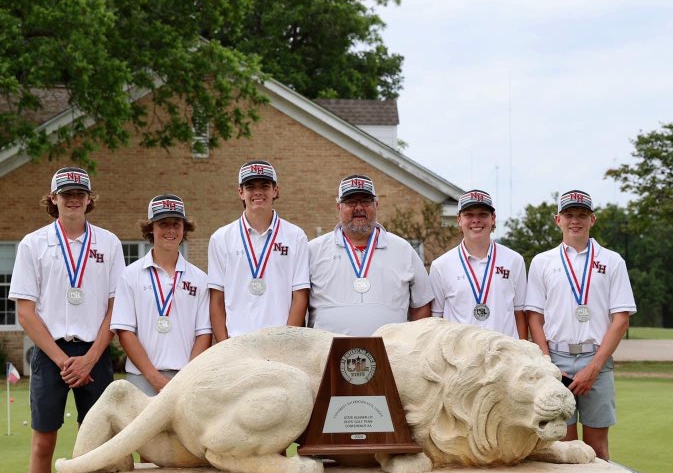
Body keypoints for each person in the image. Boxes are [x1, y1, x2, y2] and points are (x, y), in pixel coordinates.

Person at [9, 167, 125, 473]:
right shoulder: (34, 243)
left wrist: (91, 356)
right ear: (53, 198)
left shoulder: (108, 243)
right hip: (51, 354)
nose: (73, 198)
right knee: (43, 444)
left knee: (101, 446)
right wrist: (63, 361)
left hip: (94, 352)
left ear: (90, 198)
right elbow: (25, 312)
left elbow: (116, 307)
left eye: (80, 192)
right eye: (66, 193)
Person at [525, 190, 636, 461]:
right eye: (570, 215)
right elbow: (534, 317)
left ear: (592, 219)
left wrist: (594, 367)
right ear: (558, 220)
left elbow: (621, 319)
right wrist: (547, 363)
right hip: (557, 361)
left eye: (582, 215)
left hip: (596, 360)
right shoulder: (543, 262)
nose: (576, 221)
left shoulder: (611, 261)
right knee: (564, 449)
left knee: (598, 450)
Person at [111, 194, 212, 396]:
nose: (171, 230)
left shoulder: (200, 278)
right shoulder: (130, 275)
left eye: (176, 224)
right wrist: (154, 377)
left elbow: (204, 333)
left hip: (186, 378)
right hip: (142, 378)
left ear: (185, 229)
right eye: (163, 224)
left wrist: (186, 377)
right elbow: (125, 332)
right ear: (151, 228)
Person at [308, 173, 432, 336]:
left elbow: (422, 305)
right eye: (351, 201)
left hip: (390, 355)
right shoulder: (313, 250)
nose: (358, 208)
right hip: (327, 356)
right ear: (339, 207)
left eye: (365, 201)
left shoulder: (403, 249)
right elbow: (298, 303)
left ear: (376, 205)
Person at [207, 160, 309, 340]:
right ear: (241, 193)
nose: (258, 192)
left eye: (265, 186)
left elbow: (300, 297)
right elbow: (216, 300)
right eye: (250, 187)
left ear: (275, 190)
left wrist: (285, 342)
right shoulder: (221, 238)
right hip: (237, 343)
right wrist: (225, 348)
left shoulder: (296, 236)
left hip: (279, 342)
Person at [429, 189, 527, 338]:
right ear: (459, 219)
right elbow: (436, 321)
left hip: (504, 355)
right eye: (469, 215)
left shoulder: (514, 260)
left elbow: (519, 314)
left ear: (493, 218)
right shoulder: (440, 266)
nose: (476, 220)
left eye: (483, 214)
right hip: (460, 358)